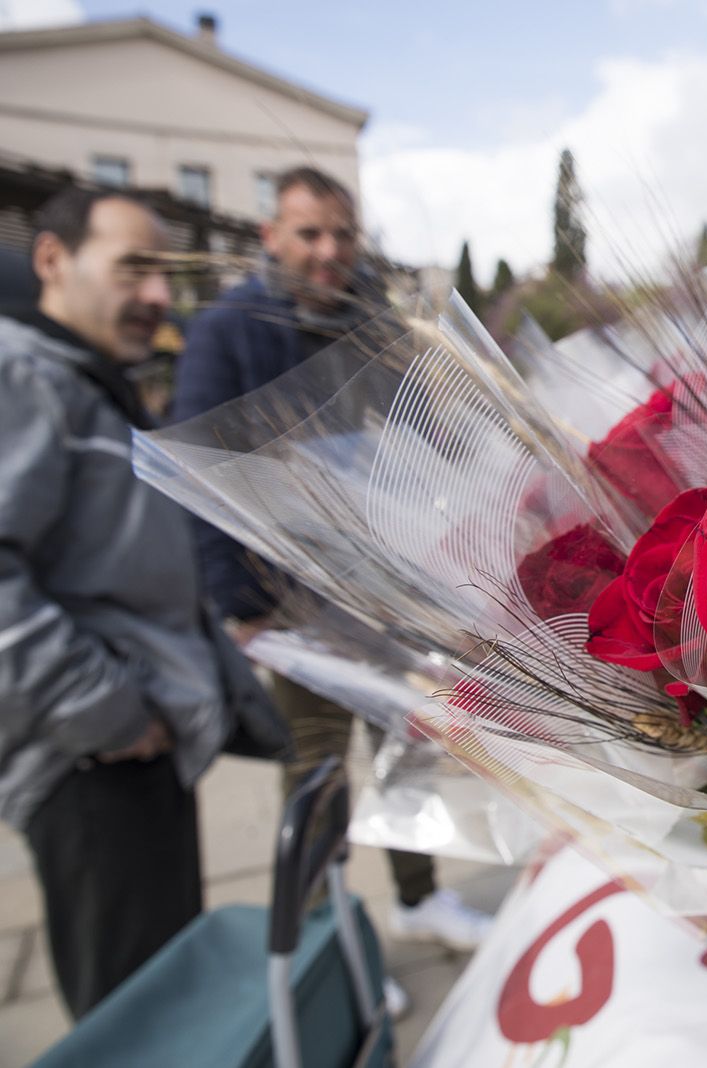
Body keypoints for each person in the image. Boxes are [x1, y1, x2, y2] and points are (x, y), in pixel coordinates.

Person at [170, 168, 493, 1007]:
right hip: (288, 604)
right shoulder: (226, 333)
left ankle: (421, 900)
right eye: (309, 233)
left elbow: (419, 446)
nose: (329, 251)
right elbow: (195, 474)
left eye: (342, 235)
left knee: (408, 744)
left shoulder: (372, 325)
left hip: (384, 593)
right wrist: (239, 606)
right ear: (271, 236)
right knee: (317, 771)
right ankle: (323, 938)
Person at [0, 187, 289, 1019]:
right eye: (134, 268)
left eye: (163, 273)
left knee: (173, 992)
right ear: (53, 261)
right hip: (92, 764)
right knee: (140, 1017)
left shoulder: (92, 383)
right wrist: (109, 713)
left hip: (137, 744)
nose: (160, 296)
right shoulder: (25, 379)